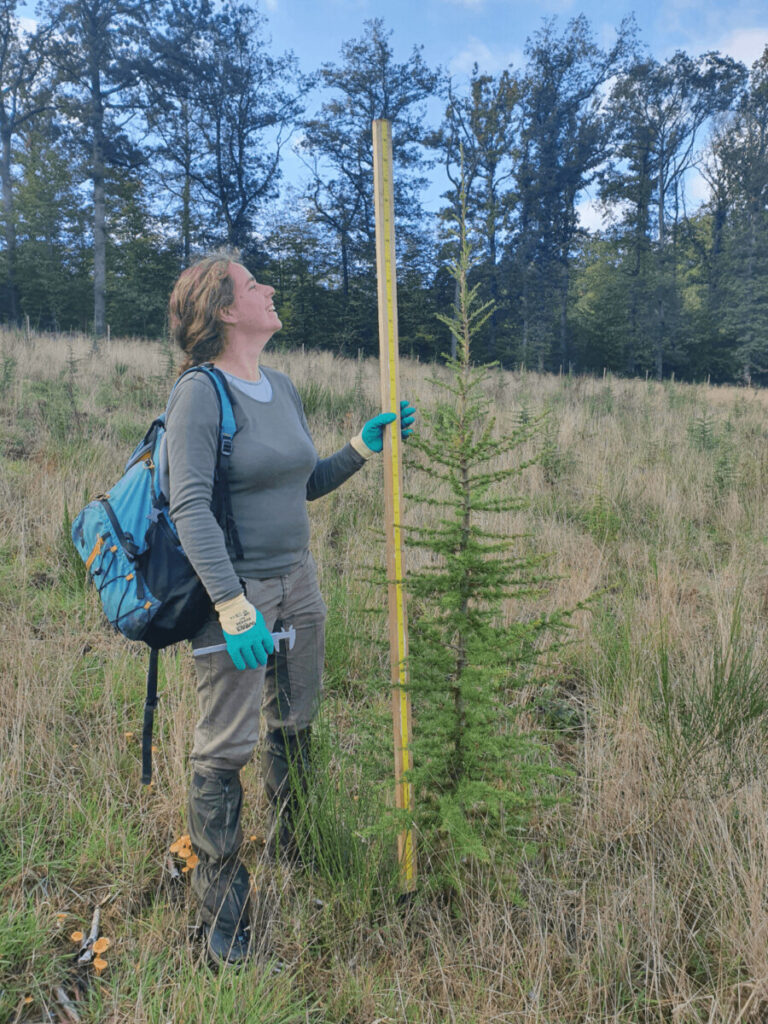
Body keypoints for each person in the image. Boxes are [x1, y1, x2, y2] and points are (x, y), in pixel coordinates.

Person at [165, 252, 415, 967]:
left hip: (298, 583)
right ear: (221, 310)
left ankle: (296, 848)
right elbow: (189, 508)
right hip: (236, 594)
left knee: (296, 719)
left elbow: (299, 485)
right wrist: (232, 605)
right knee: (226, 745)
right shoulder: (199, 394)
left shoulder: (280, 385)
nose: (269, 289)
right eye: (252, 285)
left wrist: (359, 450)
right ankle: (223, 922)